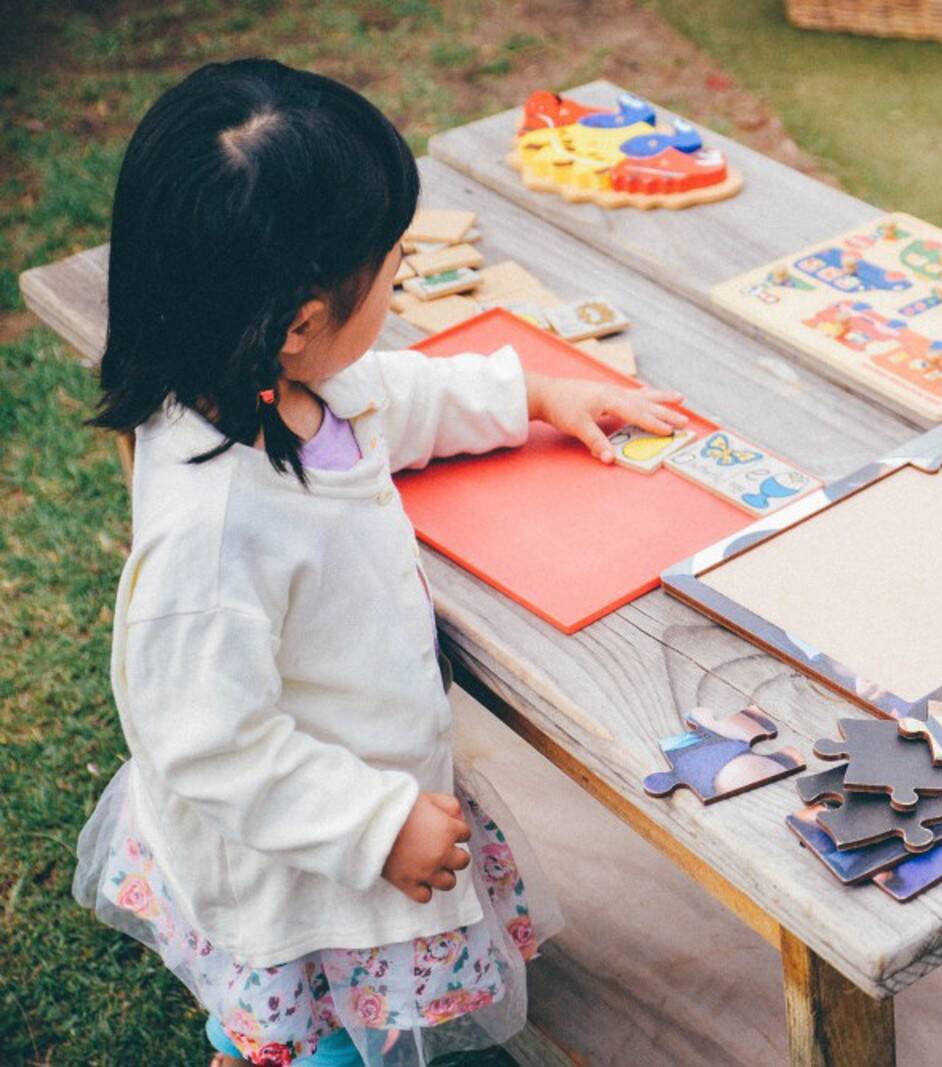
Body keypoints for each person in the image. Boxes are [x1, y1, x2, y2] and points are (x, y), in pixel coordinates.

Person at [72, 59, 685, 1066]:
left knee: (323, 1013)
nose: (399, 283)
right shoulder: (213, 525)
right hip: (313, 853)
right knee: (328, 1026)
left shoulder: (270, 380)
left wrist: (530, 392)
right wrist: (376, 823)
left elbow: (390, 398)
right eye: (391, 265)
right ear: (302, 324)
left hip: (356, 781)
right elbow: (209, 740)